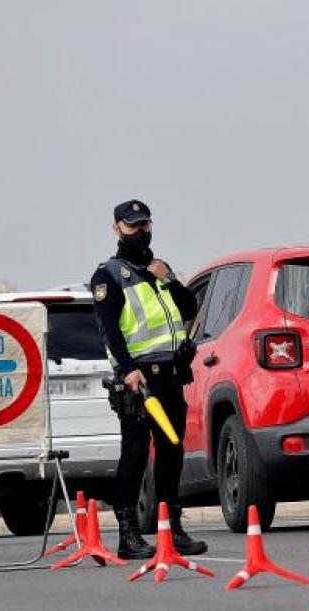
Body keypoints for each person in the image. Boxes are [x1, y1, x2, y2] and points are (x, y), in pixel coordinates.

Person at [90, 200, 206, 559]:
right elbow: (110, 332)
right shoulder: (108, 275)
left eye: (144, 224)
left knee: (172, 450)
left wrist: (166, 279)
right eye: (132, 226)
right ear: (117, 229)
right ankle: (128, 534)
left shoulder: (159, 269)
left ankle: (172, 527)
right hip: (140, 380)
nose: (140, 232)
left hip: (170, 376)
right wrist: (127, 371)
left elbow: (189, 308)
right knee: (137, 453)